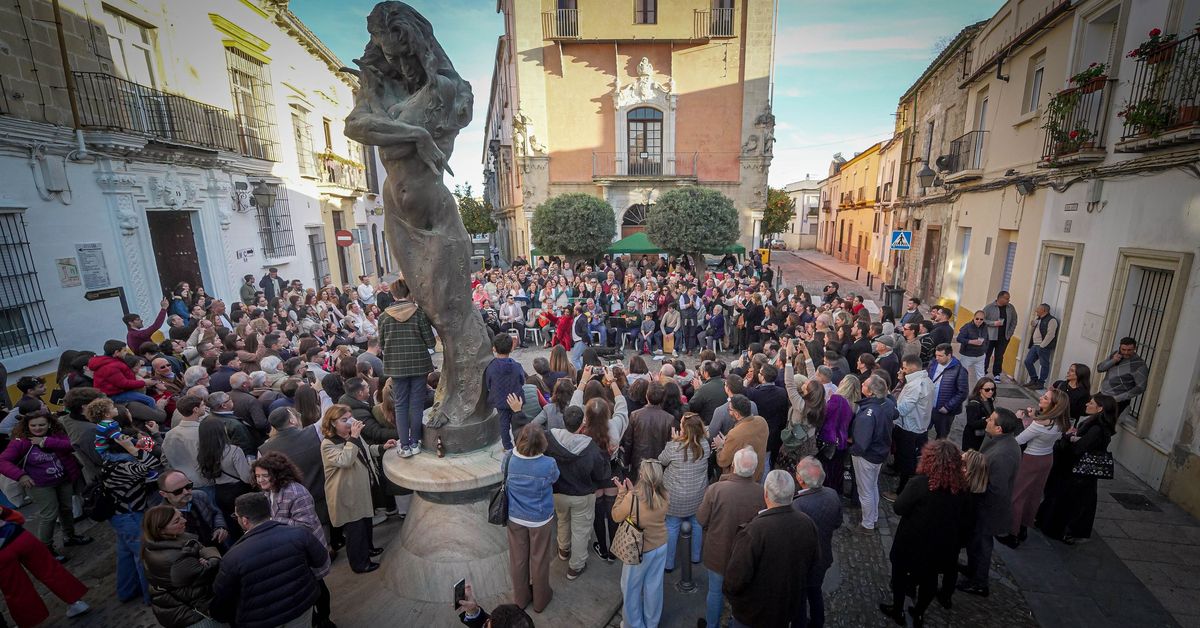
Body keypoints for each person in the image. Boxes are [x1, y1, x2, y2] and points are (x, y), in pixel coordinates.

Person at [879, 440, 971, 627]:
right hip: (940, 545)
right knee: (929, 581)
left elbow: (898, 508)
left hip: (911, 541)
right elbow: (965, 519)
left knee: (899, 575)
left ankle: (897, 610)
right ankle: (919, 613)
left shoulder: (920, 483)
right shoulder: (961, 488)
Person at [211, 493, 328, 628]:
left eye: (236, 516)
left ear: (244, 520)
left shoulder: (232, 557)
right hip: (301, 607)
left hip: (262, 620)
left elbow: (223, 594)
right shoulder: (299, 534)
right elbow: (320, 560)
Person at [724, 470, 820, 628]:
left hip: (752, 614)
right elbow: (814, 563)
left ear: (766, 495)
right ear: (792, 495)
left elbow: (734, 580)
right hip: (786, 608)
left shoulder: (753, 531)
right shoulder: (807, 523)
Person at [253, 451, 334, 627]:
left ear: (278, 473)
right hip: (290, 551)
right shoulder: (268, 491)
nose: (260, 480)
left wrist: (272, 522)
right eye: (257, 476)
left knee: (317, 586)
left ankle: (325, 620)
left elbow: (305, 527)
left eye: (265, 475)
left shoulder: (297, 493)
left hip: (306, 550)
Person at [0, 409, 91, 560]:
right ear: (27, 426)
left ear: (49, 424)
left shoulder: (55, 435)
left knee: (66, 509)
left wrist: (45, 441)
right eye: (33, 425)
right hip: (40, 485)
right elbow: (2, 461)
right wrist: (21, 476)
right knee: (49, 515)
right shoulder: (21, 442)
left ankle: (70, 537)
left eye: (41, 425)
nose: (37, 428)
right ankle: (46, 550)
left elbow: (71, 445)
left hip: (63, 480)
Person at [539, 396, 609, 581]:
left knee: (563, 520)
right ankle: (575, 567)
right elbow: (600, 474)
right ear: (582, 424)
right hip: (582, 495)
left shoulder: (549, 437)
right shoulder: (591, 447)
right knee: (581, 530)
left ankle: (563, 549)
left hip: (558, 492)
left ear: (564, 421)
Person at [321, 404, 394, 573]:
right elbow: (345, 460)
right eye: (344, 420)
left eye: (350, 418)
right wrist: (353, 437)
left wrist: (382, 447)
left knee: (366, 522)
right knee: (356, 530)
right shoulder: (328, 444)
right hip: (346, 494)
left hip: (361, 489)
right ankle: (360, 564)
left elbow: (365, 451)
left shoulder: (353, 436)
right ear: (332, 423)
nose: (349, 422)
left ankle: (368, 549)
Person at [696, 447, 765, 628]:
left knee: (715, 592)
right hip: (746, 556)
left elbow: (701, 519)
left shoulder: (716, 489)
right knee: (741, 594)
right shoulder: (762, 493)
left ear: (733, 466)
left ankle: (712, 625)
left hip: (718, 551)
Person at [1036, 394, 1118, 545]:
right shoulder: (1095, 423)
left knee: (1070, 503)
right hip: (1078, 473)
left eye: (1091, 403)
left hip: (1078, 474)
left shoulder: (1097, 428)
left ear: (1100, 408)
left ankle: (1063, 531)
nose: (1087, 404)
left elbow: (1078, 449)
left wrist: (1067, 438)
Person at [958, 408, 1022, 597]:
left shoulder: (1003, 454)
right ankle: (973, 570)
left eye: (991, 420)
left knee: (981, 546)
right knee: (975, 543)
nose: (986, 420)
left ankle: (979, 583)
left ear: (999, 428)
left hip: (988, 510)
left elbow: (996, 489)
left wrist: (973, 487)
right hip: (983, 507)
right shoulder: (999, 440)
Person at [98, 419, 162, 604]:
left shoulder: (109, 459)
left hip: (120, 514)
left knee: (126, 555)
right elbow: (152, 464)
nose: (141, 442)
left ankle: (126, 591)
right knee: (144, 556)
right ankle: (152, 597)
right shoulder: (125, 465)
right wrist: (133, 449)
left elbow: (150, 450)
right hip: (130, 514)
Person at [0, 499, 91, 626]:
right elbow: (18, 517)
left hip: (2, 555)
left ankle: (30, 622)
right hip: (20, 537)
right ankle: (77, 603)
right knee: (50, 570)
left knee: (16, 588)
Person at [999, 388, 1069, 548]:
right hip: (1047, 458)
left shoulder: (1039, 424)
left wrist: (1018, 420)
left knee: (1017, 496)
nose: (1041, 398)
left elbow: (1019, 440)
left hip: (1031, 460)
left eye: (1046, 398)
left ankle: (1013, 534)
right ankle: (1023, 528)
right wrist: (1034, 416)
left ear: (1053, 405)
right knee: (1033, 496)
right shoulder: (1061, 421)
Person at [377, 278, 437, 455]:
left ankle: (404, 446)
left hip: (396, 366)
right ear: (409, 292)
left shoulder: (383, 317)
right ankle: (415, 443)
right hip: (419, 364)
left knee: (400, 405)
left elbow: (382, 344)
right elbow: (431, 342)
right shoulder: (419, 314)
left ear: (393, 294)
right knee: (416, 404)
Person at [505, 423, 559, 613]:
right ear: (542, 442)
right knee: (539, 559)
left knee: (518, 559)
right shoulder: (548, 464)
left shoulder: (508, 459)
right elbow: (555, 478)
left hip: (515, 516)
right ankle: (540, 600)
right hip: (540, 518)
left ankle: (520, 599)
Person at [141, 504, 222, 628]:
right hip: (196, 617)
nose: (184, 520)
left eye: (181, 516)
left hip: (179, 610)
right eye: (176, 521)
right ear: (161, 530)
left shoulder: (154, 545)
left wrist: (202, 555)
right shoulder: (175, 558)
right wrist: (211, 555)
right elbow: (211, 570)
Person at [612, 459, 669, 628]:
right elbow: (647, 506)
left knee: (631, 589)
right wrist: (632, 492)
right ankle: (652, 623)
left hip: (639, 550)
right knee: (654, 587)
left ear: (642, 475)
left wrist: (622, 493)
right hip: (661, 545)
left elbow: (616, 516)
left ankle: (633, 624)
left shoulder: (633, 498)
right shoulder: (665, 494)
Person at [792, 457, 842, 628]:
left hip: (804, 564)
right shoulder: (832, 494)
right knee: (815, 592)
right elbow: (837, 523)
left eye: (797, 471)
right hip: (823, 558)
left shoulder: (798, 505)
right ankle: (817, 623)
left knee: (800, 599)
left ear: (801, 480)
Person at [657, 412, 710, 572]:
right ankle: (695, 556)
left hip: (675, 497)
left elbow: (661, 460)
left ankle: (669, 563)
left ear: (684, 429)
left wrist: (674, 441)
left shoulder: (674, 446)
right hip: (698, 495)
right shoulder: (705, 445)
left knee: (672, 526)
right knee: (697, 524)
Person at [850, 375, 896, 532]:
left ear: (870, 392)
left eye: (864, 384)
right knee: (872, 486)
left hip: (867, 456)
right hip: (880, 452)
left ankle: (867, 524)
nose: (861, 384)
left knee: (865, 490)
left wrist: (853, 450)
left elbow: (862, 442)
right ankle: (873, 517)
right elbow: (895, 414)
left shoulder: (869, 413)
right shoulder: (887, 403)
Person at [889, 356, 932, 499]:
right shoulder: (926, 380)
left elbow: (902, 409)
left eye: (905, 368)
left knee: (907, 461)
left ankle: (901, 493)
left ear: (912, 368)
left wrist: (890, 402)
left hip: (909, 428)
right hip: (919, 426)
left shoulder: (914, 385)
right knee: (908, 459)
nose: (902, 370)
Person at [156, 470, 229, 550]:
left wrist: (220, 527)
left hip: (219, 546)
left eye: (188, 486)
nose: (186, 492)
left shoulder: (199, 495)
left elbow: (215, 512)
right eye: (178, 491)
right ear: (164, 494)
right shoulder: (161, 517)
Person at [620, 382, 674, 482]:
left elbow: (628, 441)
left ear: (646, 396)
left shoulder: (635, 415)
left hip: (639, 461)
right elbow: (670, 444)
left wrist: (627, 462)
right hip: (659, 463)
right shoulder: (669, 419)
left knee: (639, 488)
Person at [486, 334, 528, 451]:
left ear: (494, 348)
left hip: (500, 399)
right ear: (511, 348)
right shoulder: (517, 366)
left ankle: (507, 446)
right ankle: (520, 443)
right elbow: (522, 380)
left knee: (503, 424)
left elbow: (488, 383)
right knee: (517, 422)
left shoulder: (491, 367)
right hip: (516, 399)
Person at [89, 339, 159, 408]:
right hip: (114, 395)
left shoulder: (112, 361)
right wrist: (144, 382)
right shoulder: (110, 367)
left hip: (118, 391)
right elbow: (123, 384)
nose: (126, 352)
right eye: (124, 350)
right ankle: (153, 414)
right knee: (150, 401)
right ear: (117, 352)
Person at [714, 395, 768, 481]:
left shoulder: (734, 434)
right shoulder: (762, 421)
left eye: (729, 410)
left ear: (736, 414)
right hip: (758, 474)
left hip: (740, 480)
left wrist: (720, 446)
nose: (728, 412)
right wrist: (728, 442)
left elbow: (722, 461)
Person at [1096, 337, 1149, 418]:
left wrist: (1118, 398)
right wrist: (1113, 361)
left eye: (1129, 350)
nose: (1126, 352)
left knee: (1104, 423)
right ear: (1120, 347)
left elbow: (1141, 387)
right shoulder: (1115, 354)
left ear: (1135, 348)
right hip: (1103, 394)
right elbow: (1100, 369)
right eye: (1123, 349)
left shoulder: (1140, 365)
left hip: (1117, 402)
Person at [927, 344, 968, 440]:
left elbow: (963, 392)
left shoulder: (960, 370)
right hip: (929, 406)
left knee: (941, 437)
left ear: (949, 355)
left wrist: (948, 407)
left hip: (944, 411)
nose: (937, 358)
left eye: (940, 356)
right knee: (923, 431)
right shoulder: (933, 364)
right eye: (936, 355)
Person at [982, 291, 1018, 382]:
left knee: (999, 355)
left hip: (1004, 337)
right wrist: (993, 323)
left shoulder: (1010, 308)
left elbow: (1014, 320)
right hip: (990, 336)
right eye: (1006, 298)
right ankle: (983, 371)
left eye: (1008, 299)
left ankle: (997, 374)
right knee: (987, 354)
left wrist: (1010, 333)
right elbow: (982, 319)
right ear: (1000, 298)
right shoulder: (989, 307)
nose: (1008, 300)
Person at [1022, 303, 1059, 390]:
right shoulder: (1039, 319)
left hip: (1043, 346)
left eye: (1038, 309)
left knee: (1044, 364)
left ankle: (1041, 383)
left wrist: (1043, 345)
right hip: (1035, 345)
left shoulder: (1052, 320)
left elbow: (1051, 334)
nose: (1036, 310)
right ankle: (1033, 379)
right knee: (1028, 361)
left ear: (1044, 310)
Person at [961, 378, 996, 452]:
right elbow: (971, 423)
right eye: (987, 389)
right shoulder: (973, 404)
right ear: (980, 390)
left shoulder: (989, 400)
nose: (990, 392)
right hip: (973, 440)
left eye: (992, 389)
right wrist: (987, 420)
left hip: (983, 437)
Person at [956, 311, 989, 383]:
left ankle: (981, 389)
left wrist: (985, 350)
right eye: (977, 318)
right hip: (967, 355)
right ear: (973, 318)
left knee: (981, 376)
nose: (979, 321)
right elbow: (959, 338)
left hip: (980, 355)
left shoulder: (985, 326)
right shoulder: (967, 327)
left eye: (981, 319)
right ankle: (961, 389)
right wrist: (970, 341)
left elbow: (987, 339)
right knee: (962, 374)